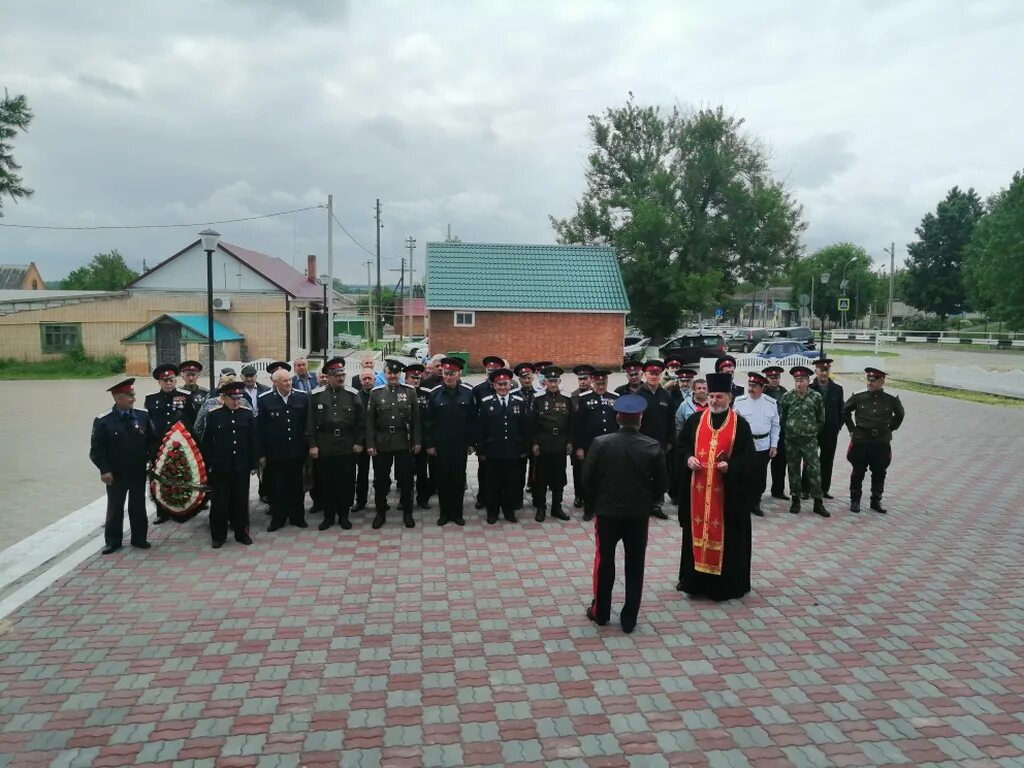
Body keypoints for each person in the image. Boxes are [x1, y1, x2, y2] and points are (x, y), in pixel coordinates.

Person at [584, 394, 667, 634]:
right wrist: (648, 502)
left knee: (604, 562)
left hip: (607, 513)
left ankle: (600, 612)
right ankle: (629, 618)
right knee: (635, 564)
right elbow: (662, 483)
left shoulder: (601, 443)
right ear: (640, 418)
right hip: (638, 515)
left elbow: (587, 479)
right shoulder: (652, 446)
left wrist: (596, 502)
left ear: (617, 418)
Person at [676, 372, 756, 601]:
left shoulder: (740, 425)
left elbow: (749, 459)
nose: (713, 401)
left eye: (719, 396)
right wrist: (688, 458)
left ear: (729, 397)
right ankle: (694, 582)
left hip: (727, 498)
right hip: (697, 494)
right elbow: (681, 446)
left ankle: (724, 586)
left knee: (729, 540)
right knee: (695, 535)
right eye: (711, 396)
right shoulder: (695, 421)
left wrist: (730, 467)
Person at [90, 378, 158, 554]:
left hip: (137, 470)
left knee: (138, 505)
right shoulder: (103, 421)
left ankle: (139, 538)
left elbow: (152, 440)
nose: (133, 399)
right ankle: (113, 541)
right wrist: (104, 470)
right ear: (117, 398)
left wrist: (152, 459)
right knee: (115, 507)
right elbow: (97, 450)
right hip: (116, 473)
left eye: (133, 395)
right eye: (129, 396)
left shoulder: (143, 415)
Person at [307, 357, 365, 530]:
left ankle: (344, 515)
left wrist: (359, 442)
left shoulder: (352, 395)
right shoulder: (316, 396)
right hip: (324, 446)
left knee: (346, 482)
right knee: (325, 482)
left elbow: (361, 422)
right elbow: (310, 422)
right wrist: (312, 444)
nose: (340, 378)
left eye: (342, 375)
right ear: (328, 376)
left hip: (346, 446)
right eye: (336, 375)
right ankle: (328, 516)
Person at [201, 381, 257, 548]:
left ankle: (242, 533)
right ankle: (218, 536)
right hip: (221, 465)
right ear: (223, 397)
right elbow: (207, 442)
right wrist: (209, 464)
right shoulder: (214, 415)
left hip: (241, 465)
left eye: (238, 398)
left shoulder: (247, 414)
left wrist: (253, 463)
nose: (236, 401)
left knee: (240, 500)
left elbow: (253, 440)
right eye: (232, 398)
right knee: (219, 502)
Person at [366, 359, 422, 528]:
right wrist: (370, 443)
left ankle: (407, 513)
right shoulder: (376, 393)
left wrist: (417, 441)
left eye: (395, 373)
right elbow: (370, 422)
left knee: (406, 480)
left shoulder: (410, 392)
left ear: (400, 375)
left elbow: (416, 420)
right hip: (382, 443)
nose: (392, 376)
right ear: (385, 374)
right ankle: (380, 513)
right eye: (389, 373)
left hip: (404, 441)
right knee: (381, 480)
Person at [842, 367, 905, 513]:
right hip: (861, 440)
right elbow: (845, 411)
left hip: (881, 441)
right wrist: (852, 429)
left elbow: (900, 414)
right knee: (858, 471)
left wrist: (891, 429)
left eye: (873, 381)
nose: (869, 383)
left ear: (882, 381)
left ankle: (876, 499)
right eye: (868, 380)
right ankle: (855, 500)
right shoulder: (858, 396)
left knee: (879, 471)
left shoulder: (891, 398)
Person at [423, 357, 477, 526]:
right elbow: (427, 422)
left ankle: (457, 512)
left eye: (451, 373)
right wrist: (429, 444)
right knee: (443, 479)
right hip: (441, 446)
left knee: (458, 479)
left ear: (458, 373)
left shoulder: (468, 393)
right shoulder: (435, 394)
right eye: (446, 373)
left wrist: (471, 443)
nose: (448, 377)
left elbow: (473, 420)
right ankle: (444, 513)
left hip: (460, 445)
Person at [259, 368, 311, 531]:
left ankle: (297, 517)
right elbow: (260, 428)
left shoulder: (302, 397)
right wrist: (261, 453)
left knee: (297, 486)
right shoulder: (265, 400)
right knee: (277, 487)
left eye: (289, 380)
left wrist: (309, 447)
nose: (289, 383)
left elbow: (307, 424)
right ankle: (278, 519)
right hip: (275, 453)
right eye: (284, 381)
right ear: (275, 383)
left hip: (297, 451)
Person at [145, 363, 197, 523]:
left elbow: (192, 421)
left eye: (171, 380)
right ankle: (162, 511)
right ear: (159, 382)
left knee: (183, 475)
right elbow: (148, 424)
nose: (168, 383)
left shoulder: (185, 396)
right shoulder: (151, 399)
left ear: (175, 380)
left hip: (180, 444)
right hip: (159, 446)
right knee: (160, 477)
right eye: (165, 380)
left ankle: (184, 507)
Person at [476, 368, 530, 524]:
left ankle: (509, 511)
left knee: (511, 483)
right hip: (493, 451)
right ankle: (492, 512)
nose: (502, 387)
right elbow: (481, 429)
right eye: (499, 384)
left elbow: (524, 427)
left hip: (513, 450)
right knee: (492, 484)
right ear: (494, 385)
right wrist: (481, 450)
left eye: (505, 384)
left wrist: (524, 448)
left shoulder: (519, 402)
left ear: (510, 385)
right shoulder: (486, 403)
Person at [779, 366, 829, 518]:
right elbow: (783, 418)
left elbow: (821, 419)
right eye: (796, 380)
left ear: (808, 381)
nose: (799, 383)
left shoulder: (816, 397)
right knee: (793, 470)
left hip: (809, 441)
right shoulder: (787, 397)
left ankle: (818, 502)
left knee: (814, 470)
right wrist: (789, 432)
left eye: (802, 380)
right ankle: (795, 499)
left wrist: (812, 431)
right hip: (792, 441)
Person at [573, 370, 619, 521]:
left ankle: (605, 505)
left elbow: (618, 422)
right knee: (590, 477)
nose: (601, 386)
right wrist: (579, 447)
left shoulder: (614, 398)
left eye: (603, 383)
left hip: (610, 445)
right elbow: (578, 425)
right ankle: (589, 508)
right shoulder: (584, 398)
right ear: (593, 383)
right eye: (598, 384)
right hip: (590, 445)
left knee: (608, 477)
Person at [732, 372, 780, 517]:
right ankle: (744, 502)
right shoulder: (739, 401)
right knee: (744, 474)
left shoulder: (771, 403)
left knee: (759, 476)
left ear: (762, 387)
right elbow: (734, 424)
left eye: (754, 386)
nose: (751, 388)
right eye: (749, 385)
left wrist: (774, 445)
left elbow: (776, 425)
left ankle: (755, 502)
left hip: (763, 445)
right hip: (745, 445)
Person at [531, 366, 573, 522]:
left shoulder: (567, 399)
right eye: (550, 381)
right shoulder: (538, 399)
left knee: (559, 477)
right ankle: (541, 508)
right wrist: (534, 443)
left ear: (559, 382)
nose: (553, 384)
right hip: (543, 444)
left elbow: (572, 423)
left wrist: (569, 442)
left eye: (555, 381)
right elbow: (532, 424)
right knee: (541, 477)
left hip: (560, 444)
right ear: (545, 382)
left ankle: (557, 507)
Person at [804, 358, 844, 500]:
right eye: (821, 370)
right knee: (810, 460)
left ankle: (823, 489)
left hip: (830, 432)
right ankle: (805, 488)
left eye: (826, 370)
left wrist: (838, 426)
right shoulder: (809, 388)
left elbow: (842, 410)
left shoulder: (837, 389)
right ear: (816, 371)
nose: (824, 373)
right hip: (812, 431)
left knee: (827, 460)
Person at [472, 355, 505, 509]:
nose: (491, 372)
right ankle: (482, 497)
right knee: (484, 470)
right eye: (489, 370)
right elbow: (475, 415)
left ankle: (502, 498)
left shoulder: (508, 386)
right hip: (486, 437)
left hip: (504, 437)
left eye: (495, 370)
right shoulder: (478, 390)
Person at [405, 363, 435, 509]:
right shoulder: (400, 393)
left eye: (418, 378)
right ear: (406, 379)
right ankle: (405, 499)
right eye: (412, 378)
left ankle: (422, 498)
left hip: (422, 439)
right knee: (405, 472)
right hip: (404, 439)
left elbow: (430, 418)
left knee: (422, 472)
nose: (416, 381)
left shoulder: (427, 394)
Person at [569, 364, 595, 508]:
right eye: (580, 379)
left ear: (591, 379)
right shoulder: (573, 396)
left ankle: (591, 496)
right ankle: (578, 495)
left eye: (585, 378)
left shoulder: (596, 394)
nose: (582, 382)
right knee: (578, 469)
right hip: (578, 439)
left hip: (593, 439)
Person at [513, 362, 538, 508]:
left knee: (536, 470)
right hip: (520, 439)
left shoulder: (540, 395)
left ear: (533, 377)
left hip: (535, 438)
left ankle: (536, 497)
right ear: (519, 379)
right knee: (518, 471)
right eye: (523, 378)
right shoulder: (514, 395)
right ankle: (517, 499)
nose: (527, 380)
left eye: (529, 377)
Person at [762, 365, 789, 500]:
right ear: (766, 379)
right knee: (761, 464)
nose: (774, 380)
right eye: (771, 378)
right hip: (766, 433)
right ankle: (758, 491)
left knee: (780, 463)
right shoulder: (762, 393)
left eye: (777, 378)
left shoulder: (786, 393)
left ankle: (778, 490)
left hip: (782, 433)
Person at [353, 369, 376, 513]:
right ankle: (360, 501)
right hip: (361, 441)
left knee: (381, 474)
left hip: (378, 441)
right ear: (360, 381)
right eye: (364, 379)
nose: (367, 381)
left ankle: (381, 499)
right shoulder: (355, 397)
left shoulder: (380, 394)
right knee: (362, 473)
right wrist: (359, 442)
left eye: (370, 378)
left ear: (374, 380)